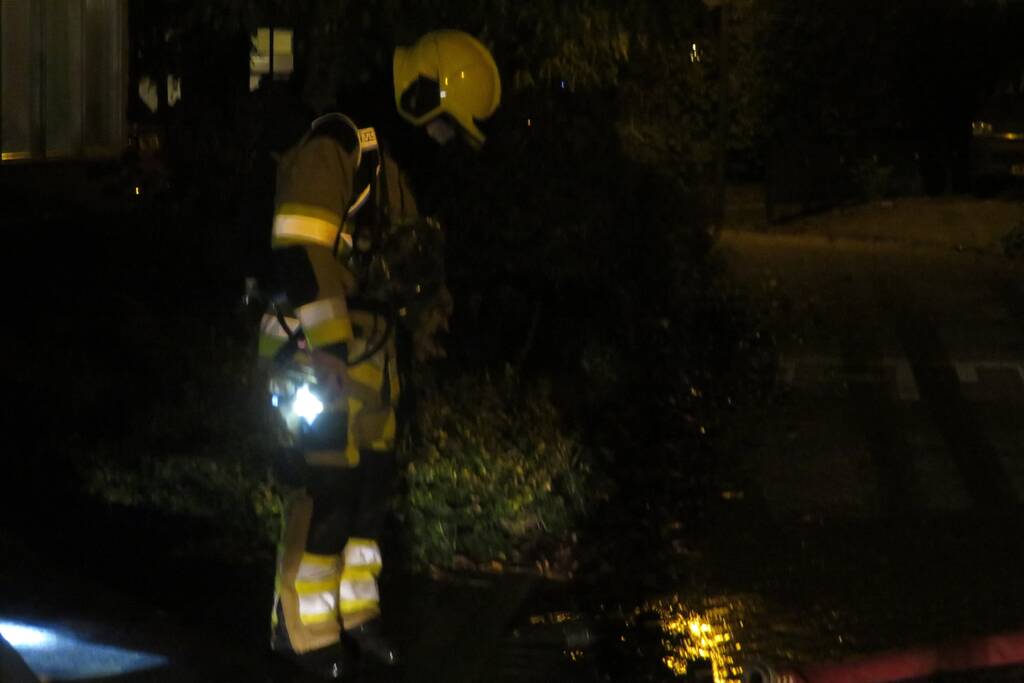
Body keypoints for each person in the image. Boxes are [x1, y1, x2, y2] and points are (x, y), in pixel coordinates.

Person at [256, 30, 501, 678]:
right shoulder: (334, 148)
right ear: (419, 95)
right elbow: (302, 256)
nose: (444, 142)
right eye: (445, 126)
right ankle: (302, 631)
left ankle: (354, 617)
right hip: (315, 353)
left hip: (368, 357)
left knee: (369, 493)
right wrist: (332, 352)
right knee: (326, 492)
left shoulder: (389, 168)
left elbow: (407, 269)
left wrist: (426, 324)